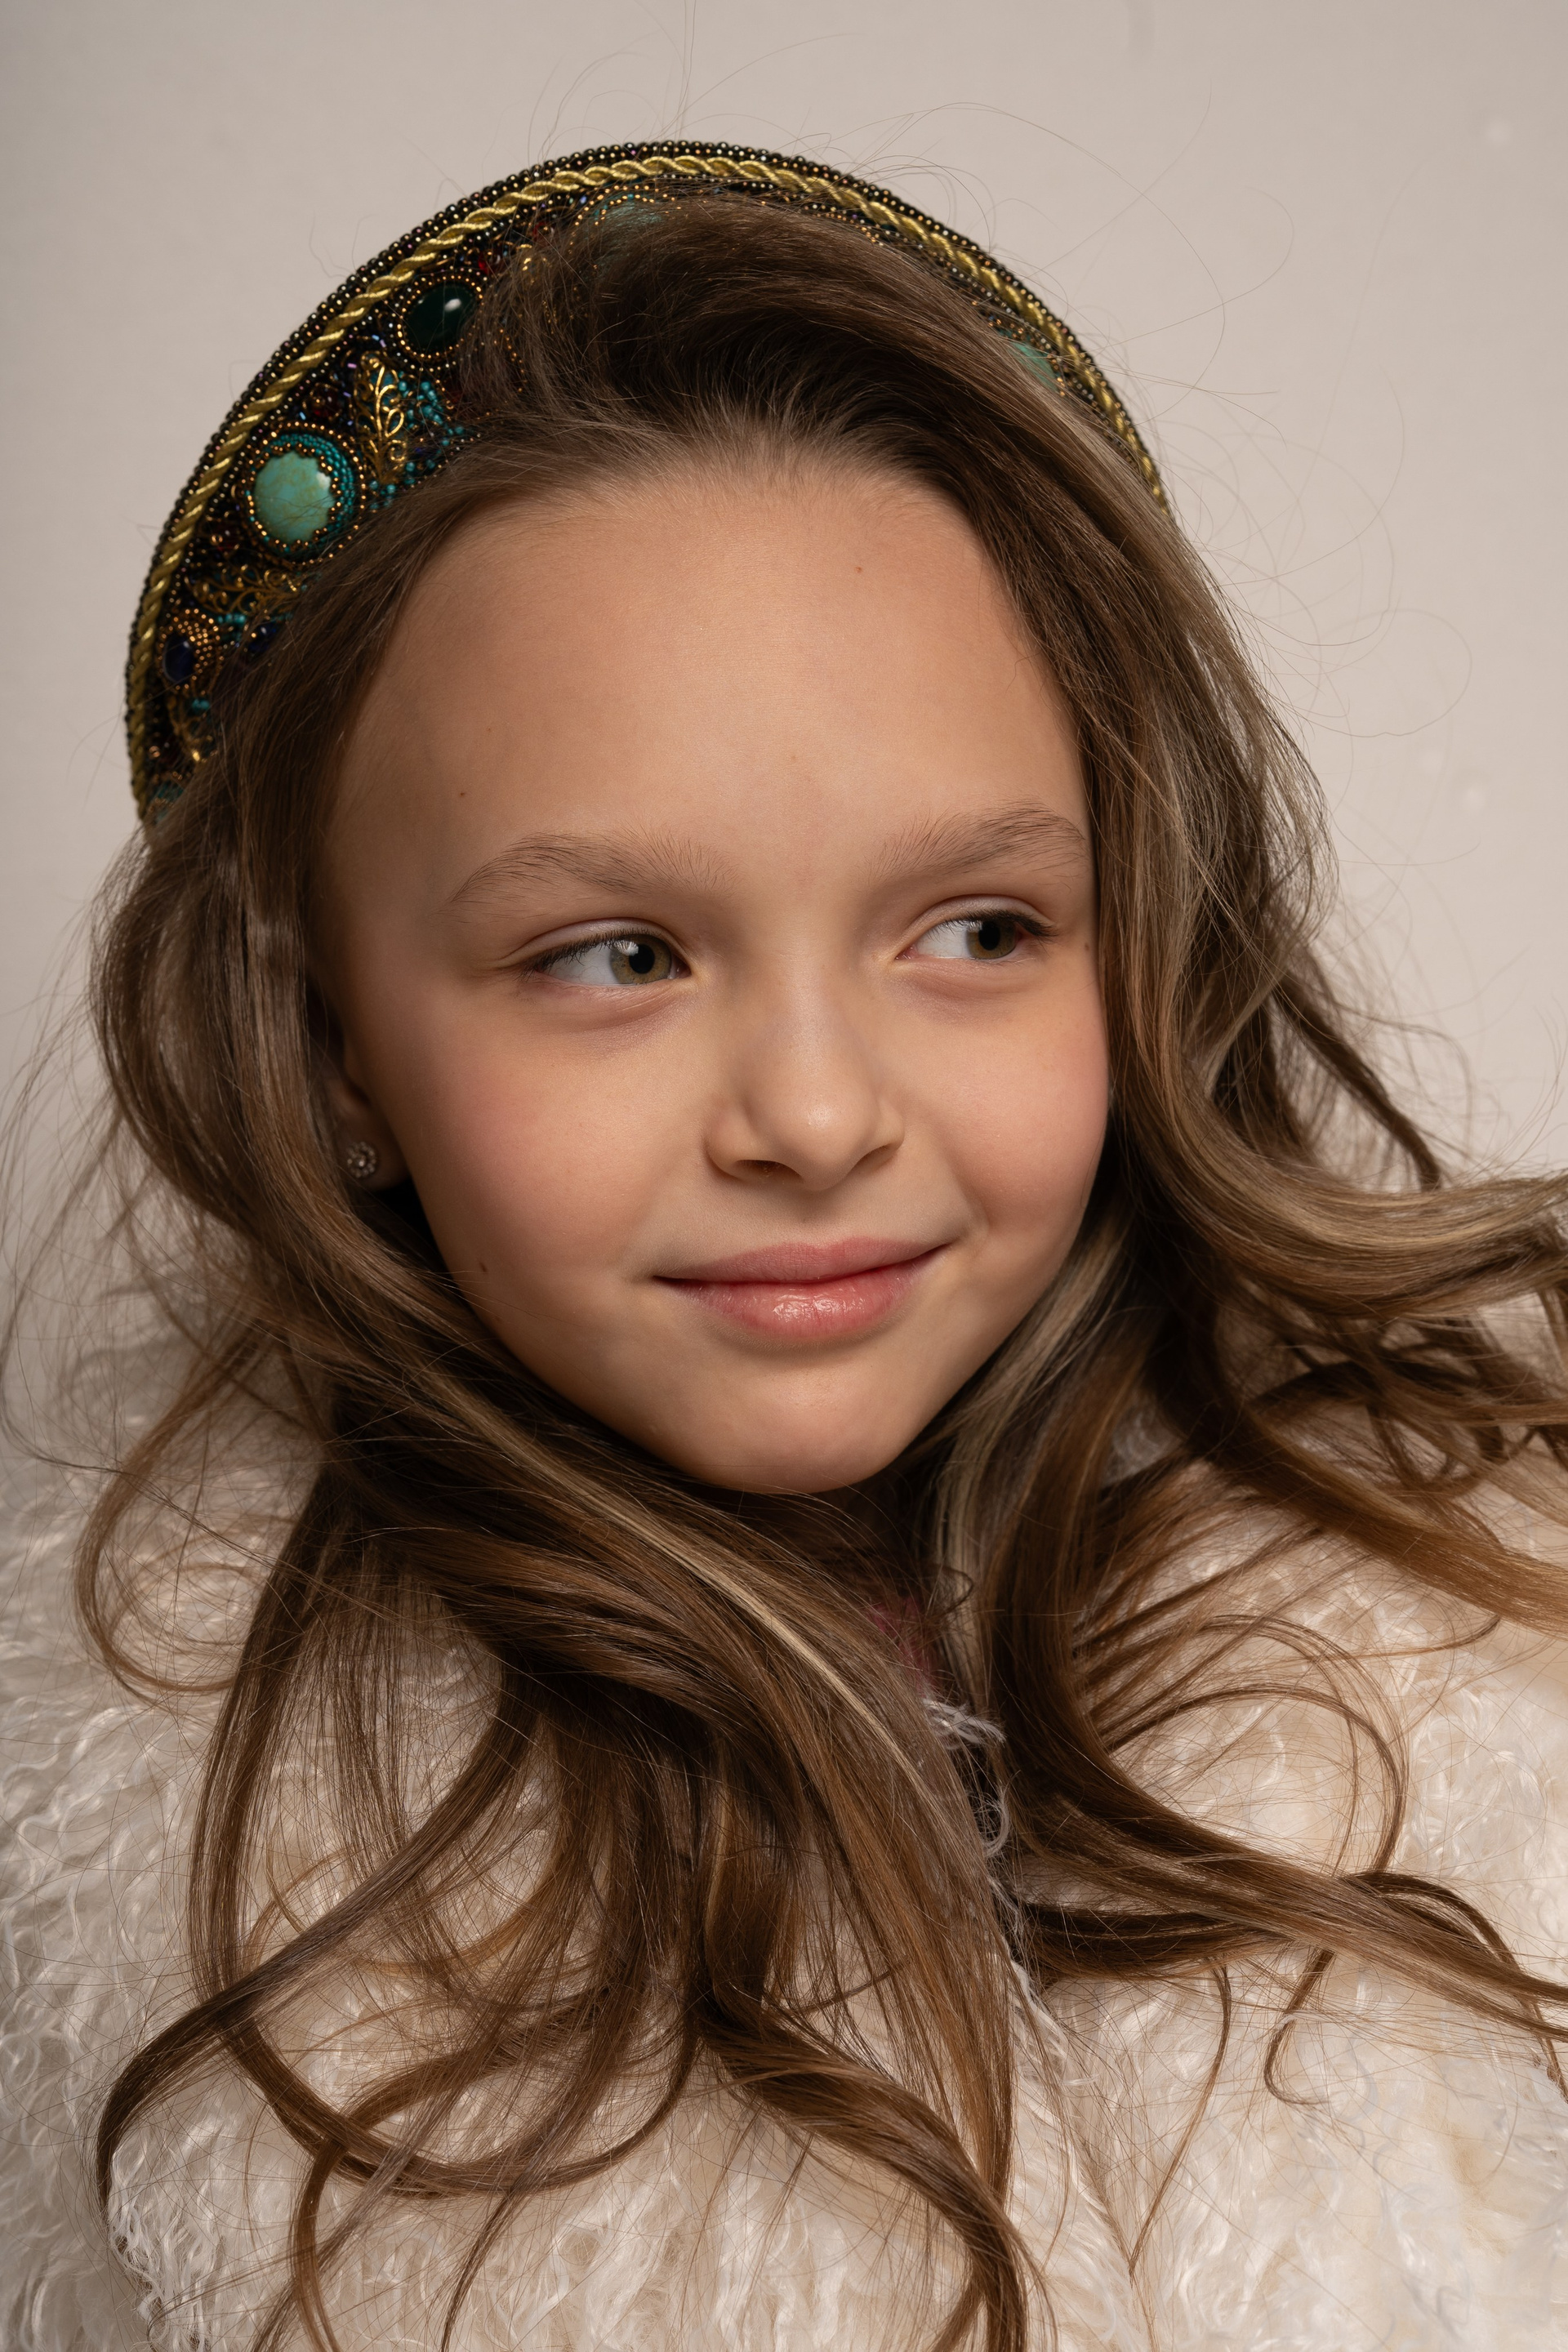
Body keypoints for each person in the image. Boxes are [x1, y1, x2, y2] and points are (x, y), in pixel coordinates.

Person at [3, 141, 1566, 2352]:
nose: (820, 1119)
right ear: (335, 1047)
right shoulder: (156, 1870)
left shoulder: (1494, 1617)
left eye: (978, 929)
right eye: (617, 954)